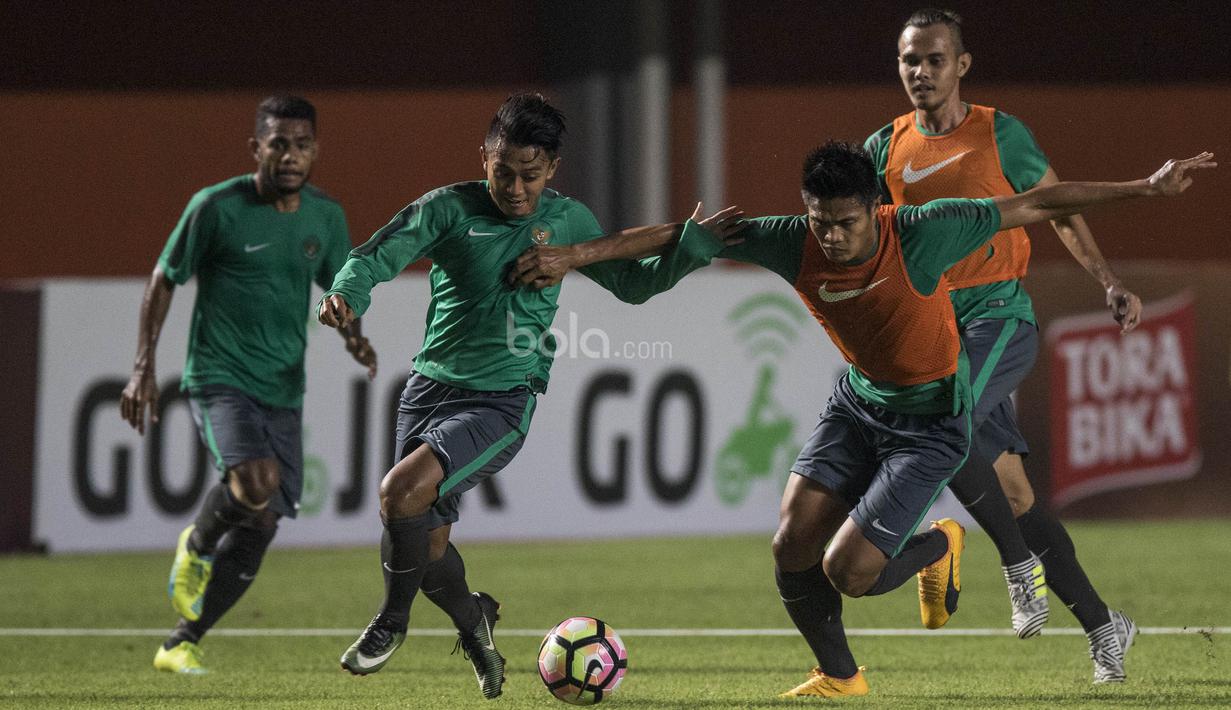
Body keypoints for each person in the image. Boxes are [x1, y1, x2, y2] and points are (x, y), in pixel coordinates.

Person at [513, 141, 1213, 697]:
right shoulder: (793, 240)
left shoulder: (922, 232)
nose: (832, 236)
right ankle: (841, 678)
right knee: (789, 546)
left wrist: (1145, 189)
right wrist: (574, 256)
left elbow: (1036, 202)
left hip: (930, 422)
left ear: (874, 207)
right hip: (856, 404)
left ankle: (937, 546)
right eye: (820, 220)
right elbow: (675, 235)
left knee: (849, 573)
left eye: (845, 222)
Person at [316, 92, 745, 700]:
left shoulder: (567, 222)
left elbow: (633, 285)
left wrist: (691, 249)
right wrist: (346, 296)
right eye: (502, 172)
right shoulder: (446, 208)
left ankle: (390, 622)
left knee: (399, 494)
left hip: (501, 401)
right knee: (429, 545)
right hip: (427, 389)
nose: (515, 188)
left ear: (552, 169)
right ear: (483, 157)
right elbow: (374, 257)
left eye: (530, 175)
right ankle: (476, 623)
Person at [863, 7, 1145, 681]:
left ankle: (1017, 566)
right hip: (932, 329)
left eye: (934, 60)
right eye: (909, 60)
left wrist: (1107, 281)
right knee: (1013, 493)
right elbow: (873, 237)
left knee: (943, 430)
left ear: (960, 65)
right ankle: (1105, 627)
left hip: (994, 318)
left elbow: (1057, 207)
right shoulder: (883, 147)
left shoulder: (999, 134)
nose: (920, 72)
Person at [119, 95, 377, 675]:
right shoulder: (215, 207)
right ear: (256, 148)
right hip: (219, 375)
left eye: (302, 144)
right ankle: (197, 546)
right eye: (279, 143)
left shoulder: (324, 217)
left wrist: (353, 335)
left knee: (262, 521)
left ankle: (181, 641)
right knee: (256, 481)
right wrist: (143, 367)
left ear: (316, 150)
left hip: (283, 384)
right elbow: (165, 278)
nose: (291, 155)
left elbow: (340, 289)